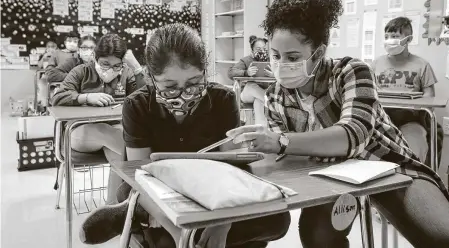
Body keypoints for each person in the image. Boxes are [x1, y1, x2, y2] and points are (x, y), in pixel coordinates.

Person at [227, 0, 449, 248]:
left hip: (390, 167)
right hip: (330, 176)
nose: (281, 65)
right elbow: (287, 158)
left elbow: (352, 136)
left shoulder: (351, 72)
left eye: (292, 56)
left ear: (318, 53)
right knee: (319, 234)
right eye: (275, 56)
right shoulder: (276, 95)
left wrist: (280, 141)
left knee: (441, 236)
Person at [79, 24, 291, 248]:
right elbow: (142, 178)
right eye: (170, 87)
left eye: (193, 84)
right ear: (151, 78)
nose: (184, 95)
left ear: (205, 73)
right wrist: (182, 234)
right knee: (168, 243)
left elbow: (232, 168)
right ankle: (142, 214)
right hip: (158, 190)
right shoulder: (137, 106)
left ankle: (136, 216)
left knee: (278, 221)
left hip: (213, 187)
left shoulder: (223, 99)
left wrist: (223, 220)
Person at [52, 33, 145, 204]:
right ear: (95, 57)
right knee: (113, 136)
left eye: (117, 66)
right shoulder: (81, 71)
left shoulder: (126, 74)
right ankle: (145, 166)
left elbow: (144, 98)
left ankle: (114, 212)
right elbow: (57, 98)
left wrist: (137, 69)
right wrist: (85, 98)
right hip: (80, 135)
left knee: (119, 160)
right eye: (105, 64)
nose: (111, 70)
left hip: (113, 135)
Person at [372, 17, 443, 166]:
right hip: (382, 119)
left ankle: (415, 178)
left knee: (413, 150)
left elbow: (429, 98)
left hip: (410, 120)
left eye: (395, 36)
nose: (389, 40)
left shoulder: (422, 65)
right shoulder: (376, 64)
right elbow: (369, 92)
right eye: (387, 37)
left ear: (408, 39)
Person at [228, 35, 272, 126]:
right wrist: (246, 72)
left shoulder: (271, 60)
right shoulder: (246, 60)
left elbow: (281, 74)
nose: (262, 51)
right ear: (252, 51)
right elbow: (231, 72)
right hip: (247, 95)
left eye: (264, 48)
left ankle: (260, 131)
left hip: (260, 95)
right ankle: (272, 103)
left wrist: (273, 75)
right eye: (258, 48)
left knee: (259, 102)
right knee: (251, 86)